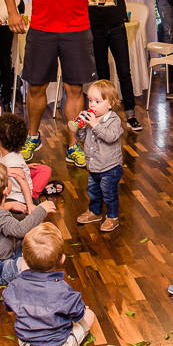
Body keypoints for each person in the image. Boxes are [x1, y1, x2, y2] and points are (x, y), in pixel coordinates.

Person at [2, 0, 127, 168]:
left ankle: (74, 144)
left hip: (77, 31)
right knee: (36, 87)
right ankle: (32, 137)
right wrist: (12, 12)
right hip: (42, 30)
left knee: (74, 89)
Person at [3, 223, 98, 346]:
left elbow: (11, 312)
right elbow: (79, 316)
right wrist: (82, 310)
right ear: (62, 259)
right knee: (89, 315)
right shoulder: (62, 290)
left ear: (23, 257)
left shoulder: (14, 285)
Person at [89, 0, 141, 132]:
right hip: (95, 29)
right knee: (102, 75)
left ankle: (130, 115)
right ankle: (103, 116)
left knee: (124, 71)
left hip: (117, 27)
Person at [0, 163, 55, 285]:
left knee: (30, 243)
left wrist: (10, 205)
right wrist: (42, 209)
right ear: (5, 191)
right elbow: (20, 230)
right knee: (29, 264)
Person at [74, 80, 126, 233]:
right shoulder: (92, 119)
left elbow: (110, 137)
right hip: (94, 165)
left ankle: (112, 217)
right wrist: (80, 127)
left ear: (111, 104)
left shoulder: (114, 120)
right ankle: (95, 212)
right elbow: (83, 139)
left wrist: (95, 124)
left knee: (109, 193)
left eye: (97, 101)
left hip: (110, 167)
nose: (92, 105)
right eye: (90, 100)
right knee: (93, 191)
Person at [0, 111, 61, 201]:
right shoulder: (13, 153)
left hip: (23, 189)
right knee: (45, 170)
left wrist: (30, 203)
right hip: (17, 179)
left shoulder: (11, 159)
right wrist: (24, 167)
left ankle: (33, 195)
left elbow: (22, 181)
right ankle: (39, 190)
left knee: (43, 169)